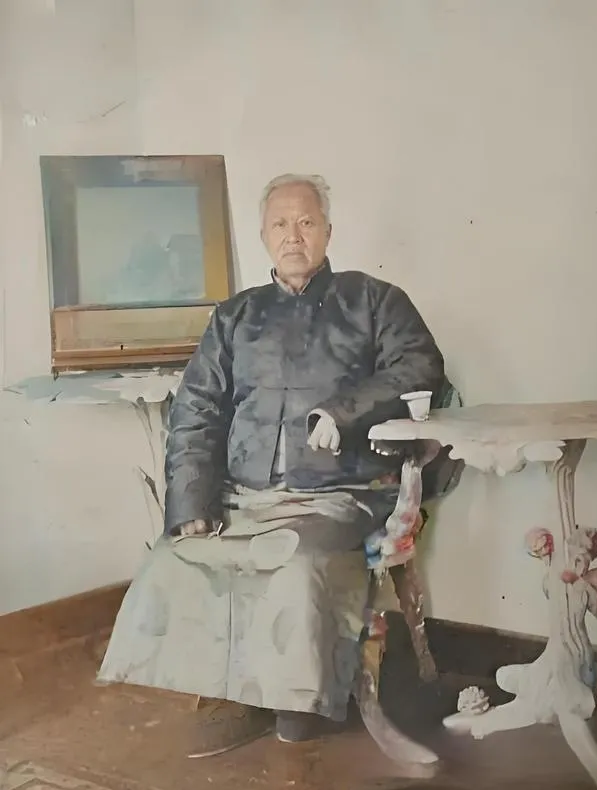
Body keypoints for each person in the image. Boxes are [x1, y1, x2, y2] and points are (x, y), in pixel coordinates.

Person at [99, 174, 454, 744]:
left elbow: (420, 365)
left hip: (338, 493)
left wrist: (344, 411)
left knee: (297, 564)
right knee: (174, 558)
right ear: (263, 236)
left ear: (328, 231)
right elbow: (197, 410)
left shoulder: (374, 300)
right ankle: (234, 692)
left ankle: (296, 702)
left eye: (307, 222)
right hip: (242, 496)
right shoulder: (233, 317)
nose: (294, 236)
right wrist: (192, 504)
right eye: (281, 224)